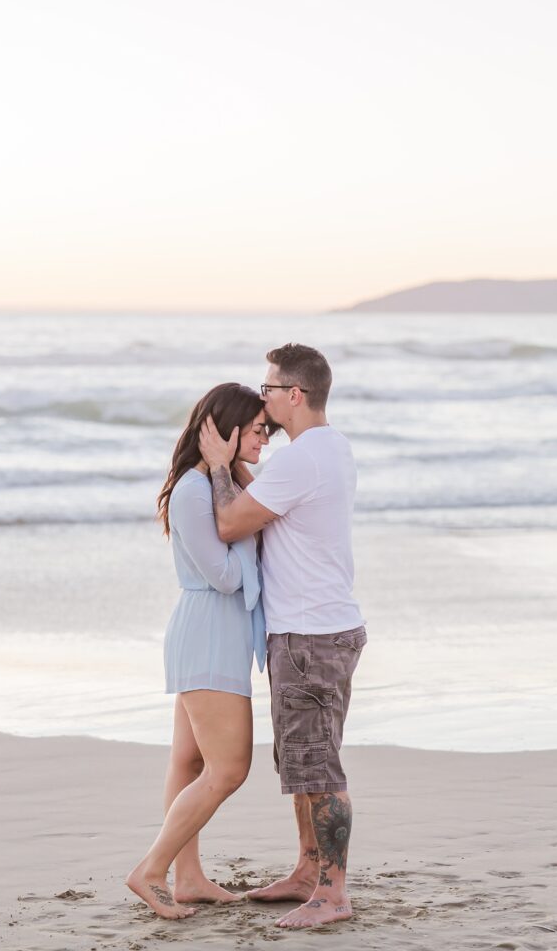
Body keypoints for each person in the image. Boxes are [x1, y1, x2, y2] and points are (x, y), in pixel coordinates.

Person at [199, 343, 367, 930]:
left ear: (294, 395)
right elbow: (269, 502)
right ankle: (306, 871)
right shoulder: (329, 449)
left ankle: (332, 893)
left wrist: (219, 466)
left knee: (317, 767)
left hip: (310, 634)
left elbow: (229, 522)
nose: (263, 397)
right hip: (317, 628)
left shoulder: (302, 460)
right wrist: (238, 472)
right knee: (301, 760)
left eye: (268, 389)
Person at [126, 382, 270, 920]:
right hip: (209, 631)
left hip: (215, 632)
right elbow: (228, 577)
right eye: (257, 430)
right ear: (226, 432)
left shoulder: (216, 484)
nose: (264, 439)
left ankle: (188, 878)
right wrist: (235, 503)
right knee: (229, 769)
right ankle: (152, 868)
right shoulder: (193, 491)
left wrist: (229, 476)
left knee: (189, 762)